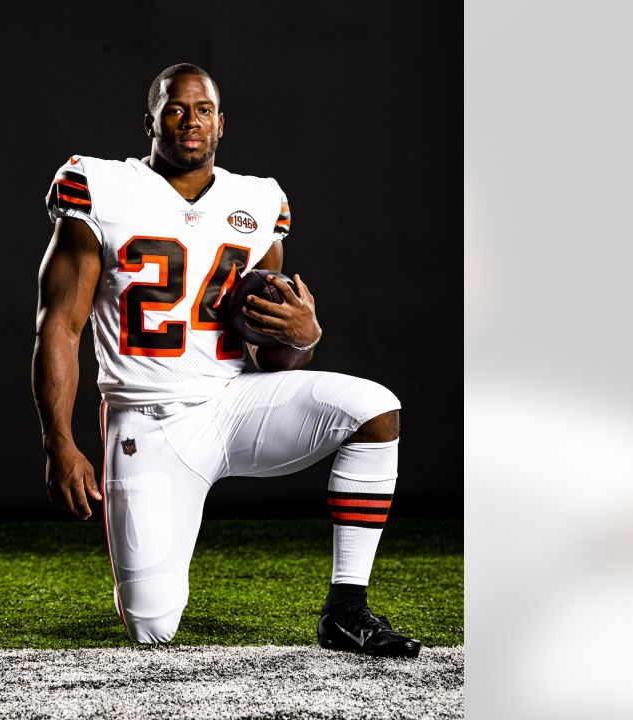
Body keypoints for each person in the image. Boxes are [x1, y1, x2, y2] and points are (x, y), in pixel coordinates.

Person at [31, 63, 420, 657]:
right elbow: (60, 324)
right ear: (151, 120)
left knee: (375, 408)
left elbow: (273, 357)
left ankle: (346, 609)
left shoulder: (259, 200)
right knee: (152, 627)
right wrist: (59, 443)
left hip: (235, 403)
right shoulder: (101, 187)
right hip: (148, 420)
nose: (190, 121)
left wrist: (306, 335)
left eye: (203, 109)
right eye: (175, 108)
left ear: (221, 123)